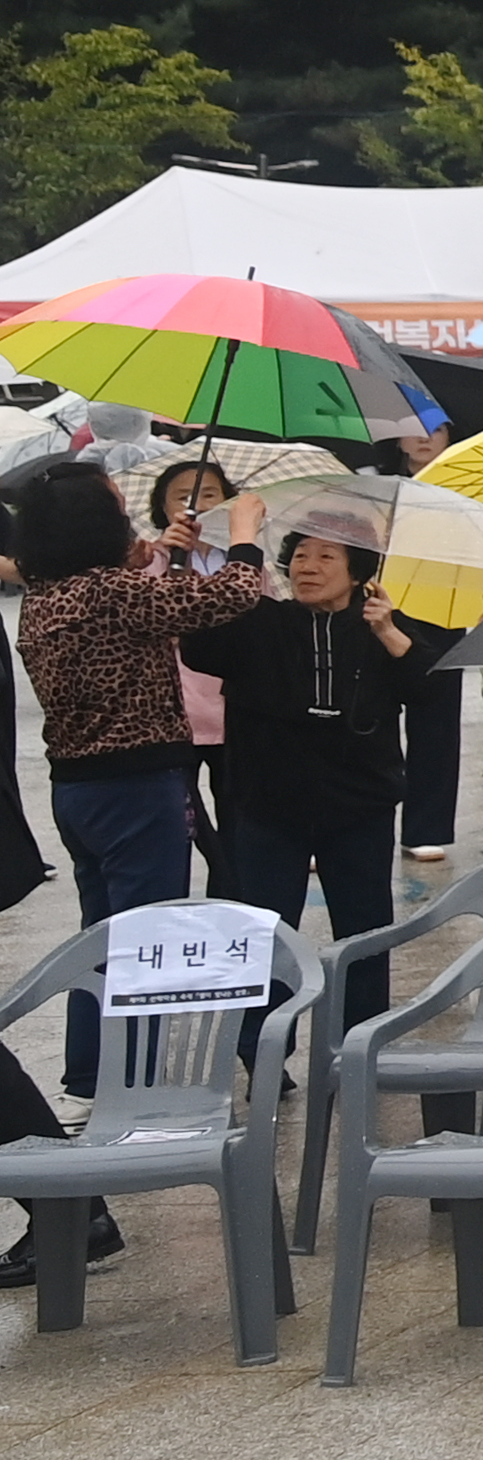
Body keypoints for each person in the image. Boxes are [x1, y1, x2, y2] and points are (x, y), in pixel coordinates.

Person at [9, 453, 265, 1087]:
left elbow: (140, 605)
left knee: (101, 936)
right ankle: (139, 1081)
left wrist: (160, 556)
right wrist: (244, 539)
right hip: (138, 788)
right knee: (148, 941)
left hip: (76, 788)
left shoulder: (47, 597)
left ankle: (91, 1074)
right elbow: (228, 594)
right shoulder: (112, 593)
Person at [182, 496, 439, 1021]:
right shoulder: (259, 620)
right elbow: (198, 648)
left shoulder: (383, 625)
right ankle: (261, 1050)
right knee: (265, 937)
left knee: (365, 934)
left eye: (326, 557)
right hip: (268, 806)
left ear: (358, 572)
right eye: (300, 555)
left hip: (360, 806)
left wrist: (390, 633)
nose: (308, 567)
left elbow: (430, 691)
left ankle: (360, 1042)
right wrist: (235, 551)